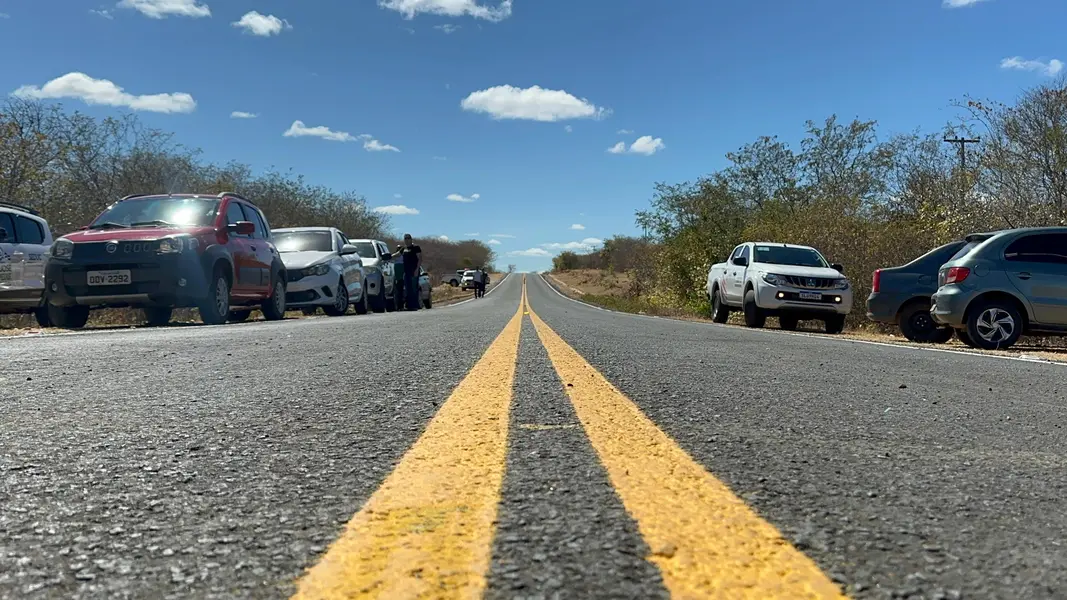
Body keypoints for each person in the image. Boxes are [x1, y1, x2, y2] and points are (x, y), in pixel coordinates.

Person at [395, 234, 422, 310]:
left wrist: (417, 269)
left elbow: (420, 258)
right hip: (406, 271)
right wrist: (389, 256)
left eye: (408, 238)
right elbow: (397, 254)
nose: (407, 240)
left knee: (414, 288)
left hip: (414, 270)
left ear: (411, 239)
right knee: (408, 288)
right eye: (405, 239)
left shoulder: (416, 248)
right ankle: (409, 305)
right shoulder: (404, 248)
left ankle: (414, 305)